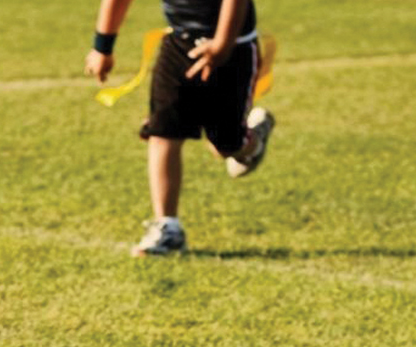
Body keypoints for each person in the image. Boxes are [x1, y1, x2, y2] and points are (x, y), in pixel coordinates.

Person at [85, 0, 277, 256]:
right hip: (179, 44)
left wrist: (221, 45)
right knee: (163, 131)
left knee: (225, 143)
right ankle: (168, 228)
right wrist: (102, 47)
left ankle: (253, 141)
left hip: (234, 49)